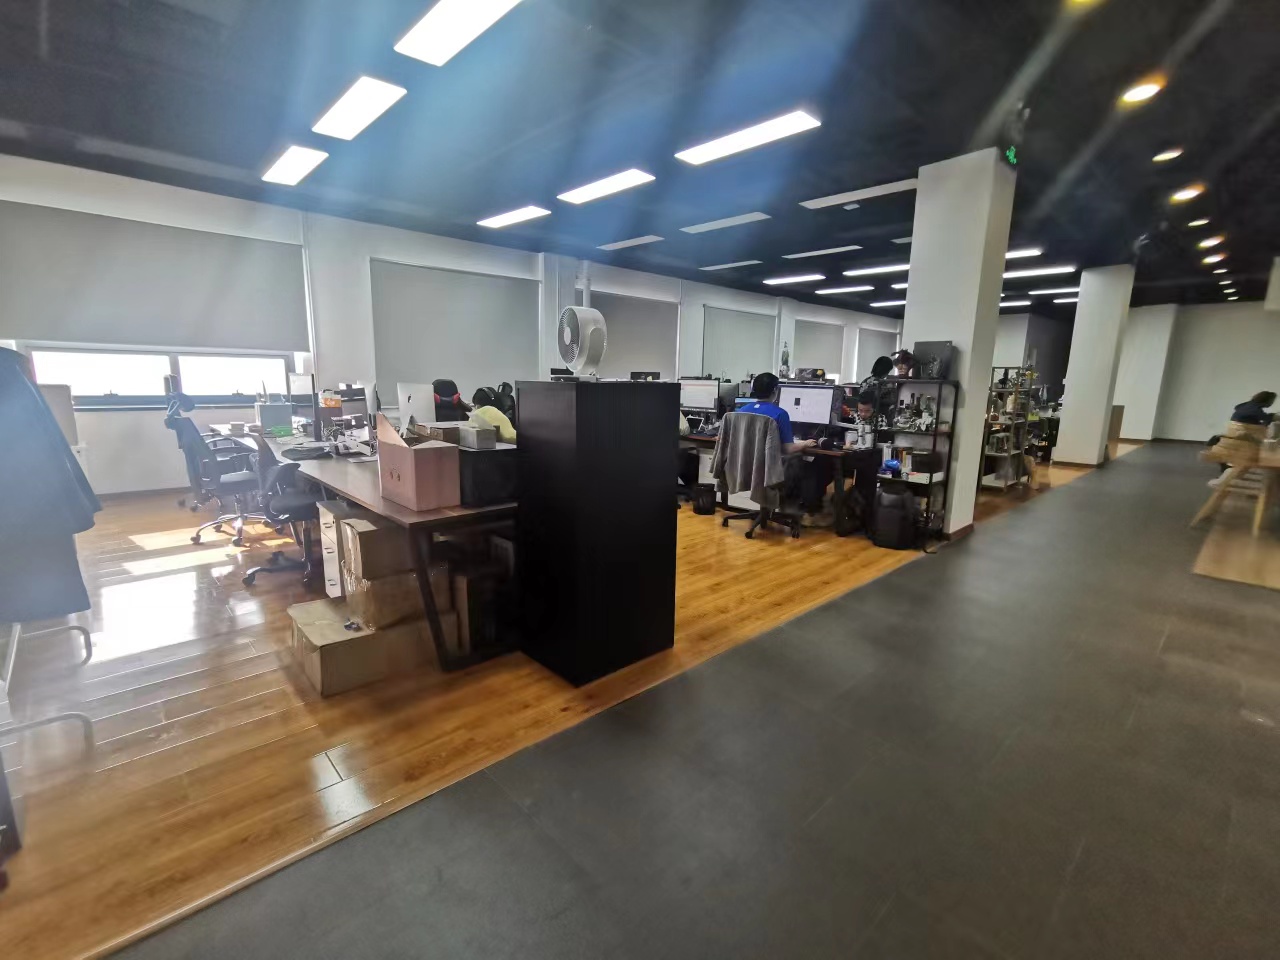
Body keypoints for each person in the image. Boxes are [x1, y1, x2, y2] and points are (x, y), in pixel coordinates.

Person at [736, 373, 830, 525]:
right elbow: (788, 449)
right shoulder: (780, 414)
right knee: (809, 466)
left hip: (745, 467)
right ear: (775, 390)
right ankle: (804, 511)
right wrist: (804, 444)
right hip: (769, 471)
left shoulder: (741, 411)